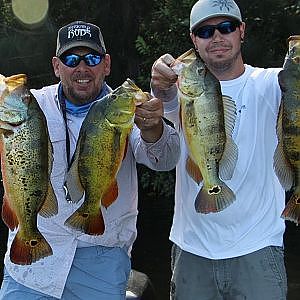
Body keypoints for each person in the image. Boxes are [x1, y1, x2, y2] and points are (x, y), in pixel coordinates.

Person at [0, 21, 180, 300]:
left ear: (106, 64)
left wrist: (153, 128)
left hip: (102, 257)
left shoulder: (125, 106)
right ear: (57, 66)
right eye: (71, 59)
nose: (81, 68)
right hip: (32, 265)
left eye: (92, 58)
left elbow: (165, 160)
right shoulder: (30, 106)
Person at [151, 0, 288, 299]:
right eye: (205, 31)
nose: (216, 36)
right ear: (194, 40)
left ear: (242, 31)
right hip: (192, 250)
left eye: (226, 27)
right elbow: (162, 99)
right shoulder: (181, 90)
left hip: (258, 248)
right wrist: (159, 84)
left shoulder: (269, 84)